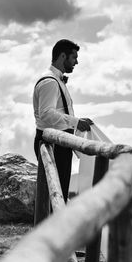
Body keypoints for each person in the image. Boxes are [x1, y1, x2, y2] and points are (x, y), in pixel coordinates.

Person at [33, 39, 93, 202]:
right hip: (53, 144)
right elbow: (45, 113)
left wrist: (77, 121)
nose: (77, 62)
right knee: (55, 192)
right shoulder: (49, 82)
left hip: (59, 143)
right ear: (62, 56)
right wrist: (75, 122)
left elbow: (56, 112)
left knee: (60, 189)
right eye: (74, 57)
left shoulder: (56, 80)